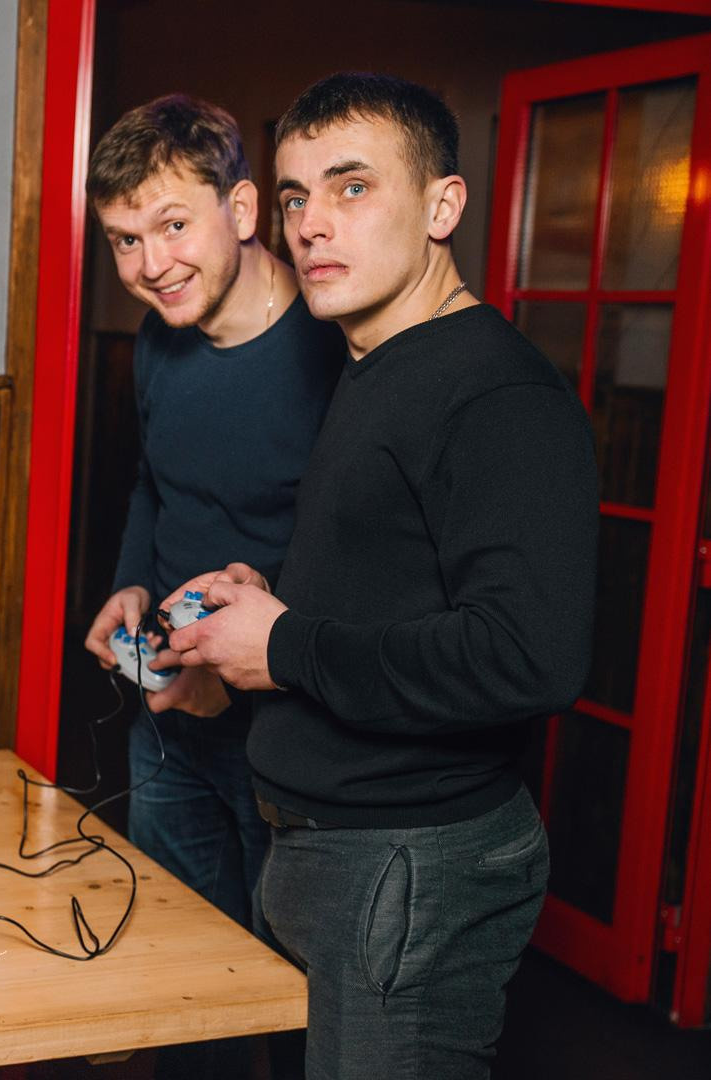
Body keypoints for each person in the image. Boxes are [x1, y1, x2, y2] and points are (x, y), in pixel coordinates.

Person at [164, 72, 599, 1080]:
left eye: (352, 187)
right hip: (331, 853)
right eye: (295, 195)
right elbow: (397, 576)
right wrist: (264, 601)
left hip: (410, 864)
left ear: (442, 207)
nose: (312, 223)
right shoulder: (375, 363)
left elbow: (528, 656)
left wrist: (284, 645)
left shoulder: (498, 395)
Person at [79, 95, 342, 934]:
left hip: (289, 732)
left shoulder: (335, 346)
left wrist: (229, 679)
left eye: (172, 226)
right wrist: (130, 583)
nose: (151, 264)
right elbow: (155, 485)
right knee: (174, 950)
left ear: (243, 209)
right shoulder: (158, 339)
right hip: (168, 709)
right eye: (125, 239)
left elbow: (356, 551)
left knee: (282, 971)